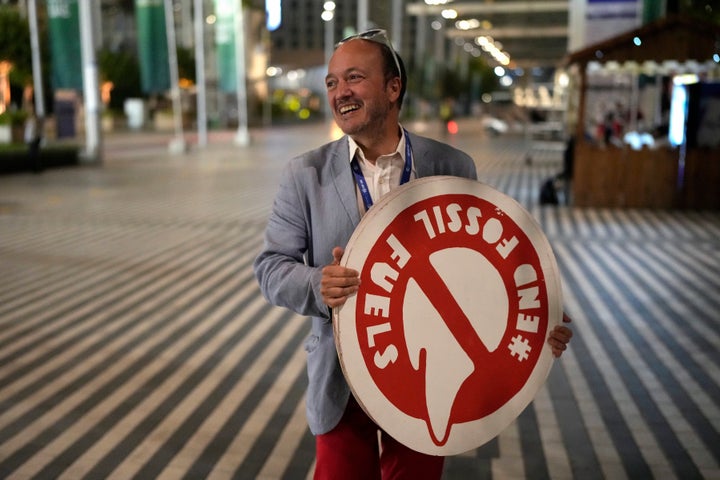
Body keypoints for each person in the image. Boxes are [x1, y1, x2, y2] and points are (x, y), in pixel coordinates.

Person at [254, 29, 573, 480]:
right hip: (341, 378)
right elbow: (270, 268)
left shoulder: (451, 166)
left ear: (392, 87)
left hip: (429, 376)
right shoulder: (305, 174)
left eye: (354, 78)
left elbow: (488, 259)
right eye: (331, 82)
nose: (339, 92)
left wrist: (543, 317)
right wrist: (316, 284)